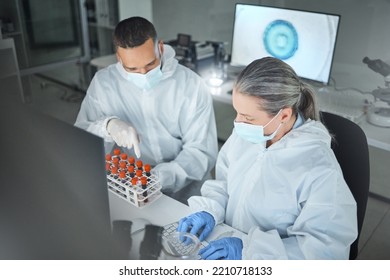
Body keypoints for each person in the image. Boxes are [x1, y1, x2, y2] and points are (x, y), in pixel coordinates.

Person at [177, 57, 358, 259]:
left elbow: (324, 250)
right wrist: (209, 211)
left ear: (283, 116)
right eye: (237, 112)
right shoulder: (248, 135)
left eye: (248, 117)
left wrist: (251, 251)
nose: (238, 123)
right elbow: (224, 182)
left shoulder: (320, 169)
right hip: (222, 240)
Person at [75, 17, 218, 203]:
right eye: (132, 68)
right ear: (119, 57)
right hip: (130, 187)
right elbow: (81, 144)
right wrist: (107, 126)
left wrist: (155, 179)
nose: (143, 74)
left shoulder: (191, 85)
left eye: (150, 64)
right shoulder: (104, 84)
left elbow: (201, 152)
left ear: (160, 47)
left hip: (186, 193)